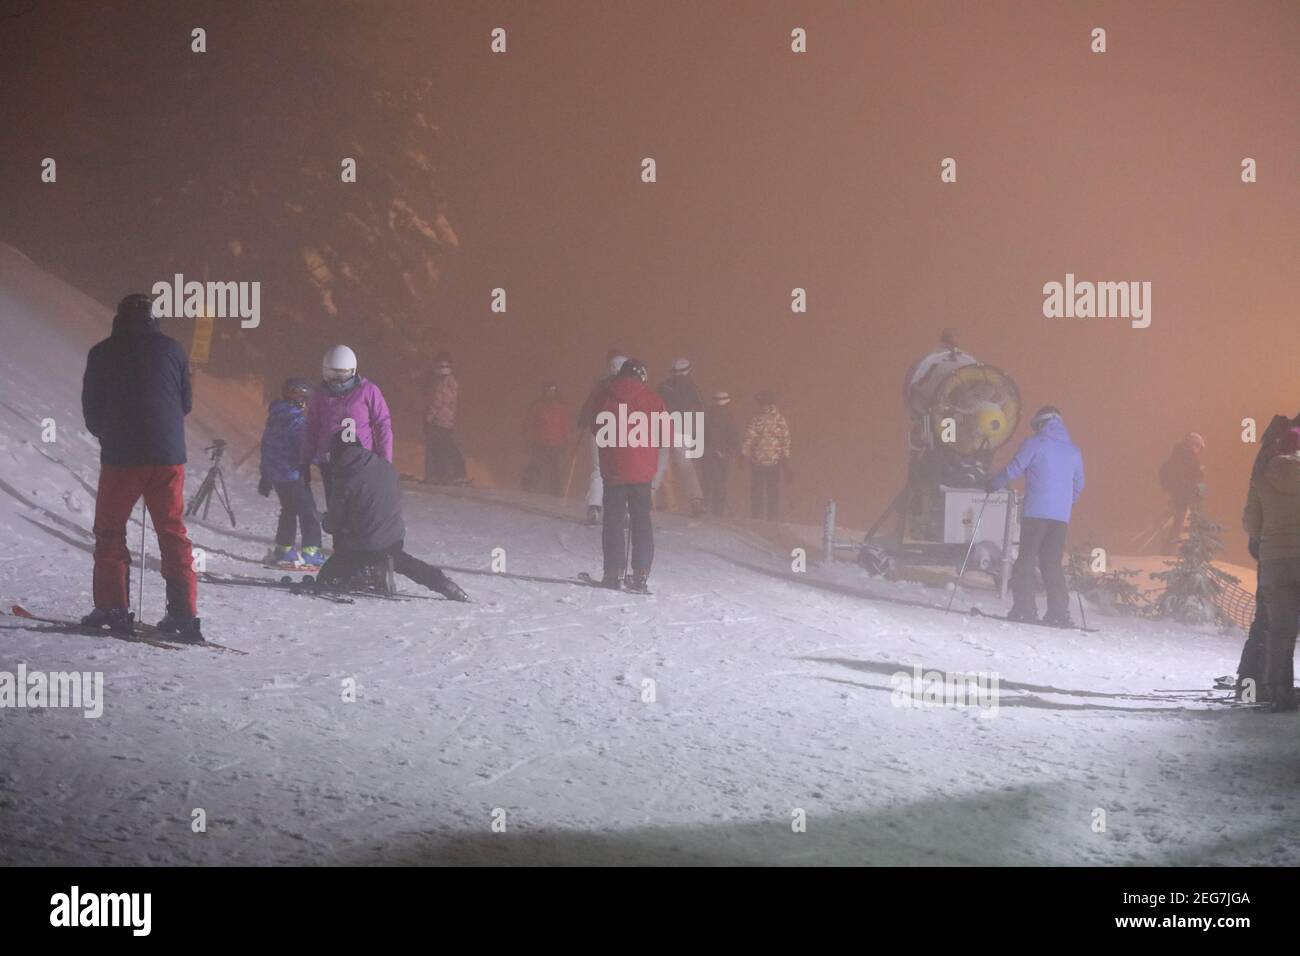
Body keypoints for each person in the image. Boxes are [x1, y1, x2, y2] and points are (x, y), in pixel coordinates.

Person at [79, 293, 201, 640]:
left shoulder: (101, 352)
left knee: (110, 531)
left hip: (122, 457)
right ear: (153, 317)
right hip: (168, 458)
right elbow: (185, 403)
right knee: (173, 531)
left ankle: (113, 608)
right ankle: (183, 615)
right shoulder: (174, 350)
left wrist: (109, 434)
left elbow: (92, 408)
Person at [317, 431, 469, 601]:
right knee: (399, 560)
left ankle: (363, 576)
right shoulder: (385, 466)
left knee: (328, 575)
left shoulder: (345, 477)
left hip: (363, 545)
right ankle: (443, 584)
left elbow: (334, 523)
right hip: (393, 539)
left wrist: (325, 521)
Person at [986, 405, 1085, 626]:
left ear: (1040, 423)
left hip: (1036, 513)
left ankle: (1024, 609)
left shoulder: (1035, 443)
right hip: (1060, 518)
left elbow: (1015, 468)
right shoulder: (1073, 450)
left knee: (1026, 561)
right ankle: (1059, 613)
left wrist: (994, 483)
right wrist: (1064, 504)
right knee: (1052, 563)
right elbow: (1079, 484)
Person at [1235, 412, 1300, 698]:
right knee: (1271, 622)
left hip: (1271, 555)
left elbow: (1252, 518)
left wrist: (1261, 539)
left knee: (1272, 623)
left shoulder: (1266, 459)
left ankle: (1263, 687)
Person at [591, 359, 665, 592]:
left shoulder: (605, 397)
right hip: (642, 472)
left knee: (613, 521)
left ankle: (614, 573)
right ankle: (641, 574)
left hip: (614, 469)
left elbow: (596, 428)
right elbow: (665, 434)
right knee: (641, 521)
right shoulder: (653, 399)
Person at [302, 345, 393, 504]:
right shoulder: (320, 394)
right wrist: (305, 459)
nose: (336, 380)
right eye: (331, 375)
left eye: (341, 375)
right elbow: (312, 428)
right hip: (330, 462)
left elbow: (382, 424)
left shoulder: (368, 391)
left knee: (359, 508)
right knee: (336, 511)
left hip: (360, 462)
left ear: (352, 371)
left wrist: (385, 461)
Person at [258, 377, 323, 567]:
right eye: (305, 399)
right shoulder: (297, 421)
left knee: (289, 510)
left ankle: (284, 549)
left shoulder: (276, 415)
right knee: (308, 512)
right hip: (293, 474)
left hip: (279, 475)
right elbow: (305, 449)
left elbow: (266, 446)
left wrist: (266, 474)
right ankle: (312, 552)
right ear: (299, 399)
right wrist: (325, 461)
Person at [577, 349, 627, 525]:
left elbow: (589, 405)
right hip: (623, 433)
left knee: (599, 468)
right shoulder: (631, 386)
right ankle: (625, 510)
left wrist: (583, 422)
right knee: (624, 470)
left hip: (599, 430)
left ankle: (595, 506)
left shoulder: (601, 385)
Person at [655, 357, 706, 517]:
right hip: (682, 430)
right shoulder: (693, 388)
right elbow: (701, 410)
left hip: (663, 428)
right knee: (686, 464)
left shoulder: (663, 386)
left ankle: (646, 495)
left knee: (659, 464)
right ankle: (696, 500)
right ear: (688, 370)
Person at [741, 390, 791, 522]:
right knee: (773, 491)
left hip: (757, 461)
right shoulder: (780, 419)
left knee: (757, 491)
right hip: (775, 462)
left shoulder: (757, 418)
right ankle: (772, 518)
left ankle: (757, 517)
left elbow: (749, 438)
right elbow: (785, 440)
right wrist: (785, 460)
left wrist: (743, 454)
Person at [423, 352, 467, 485]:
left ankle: (450, 473)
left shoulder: (445, 383)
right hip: (445, 420)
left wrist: (428, 417)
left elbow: (439, 401)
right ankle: (442, 473)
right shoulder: (449, 382)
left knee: (442, 447)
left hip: (441, 421)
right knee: (442, 447)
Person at [1159, 432, 1206, 550]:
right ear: (1193, 445)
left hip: (1176, 492)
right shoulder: (1188, 455)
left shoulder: (1177, 453)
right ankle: (1170, 550)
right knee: (1179, 522)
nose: (1198, 450)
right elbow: (1193, 475)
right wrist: (1199, 473)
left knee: (1177, 520)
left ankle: (1169, 548)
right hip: (1183, 494)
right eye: (1199, 447)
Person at [521, 382, 569, 496]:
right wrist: (527, 439)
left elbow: (564, 426)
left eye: (553, 391)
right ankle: (528, 486)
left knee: (555, 469)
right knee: (535, 465)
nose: (551, 393)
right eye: (548, 390)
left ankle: (556, 492)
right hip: (539, 442)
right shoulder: (537, 407)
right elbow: (528, 424)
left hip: (556, 443)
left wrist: (565, 440)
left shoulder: (561, 408)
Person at [701, 390, 739, 516]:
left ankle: (704, 506)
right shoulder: (729, 416)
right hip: (722, 455)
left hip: (707, 453)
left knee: (707, 481)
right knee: (720, 483)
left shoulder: (709, 415)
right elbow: (733, 436)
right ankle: (718, 511)